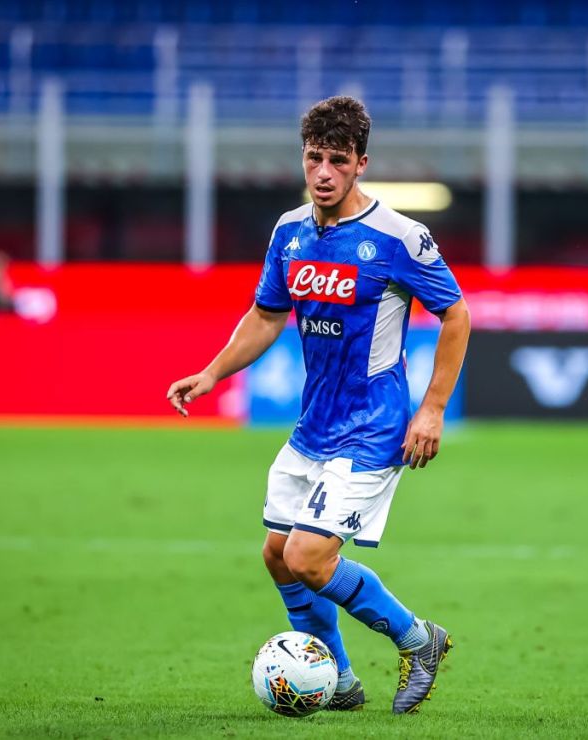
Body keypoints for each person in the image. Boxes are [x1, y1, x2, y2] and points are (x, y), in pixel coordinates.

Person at [166, 96, 470, 715]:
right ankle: (341, 681)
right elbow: (265, 316)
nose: (323, 172)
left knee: (307, 555)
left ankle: (420, 640)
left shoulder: (399, 237)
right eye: (313, 158)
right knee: (277, 555)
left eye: (338, 159)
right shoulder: (290, 231)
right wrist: (212, 373)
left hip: (374, 425)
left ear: (361, 164)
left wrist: (433, 409)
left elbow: (456, 314)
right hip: (315, 424)